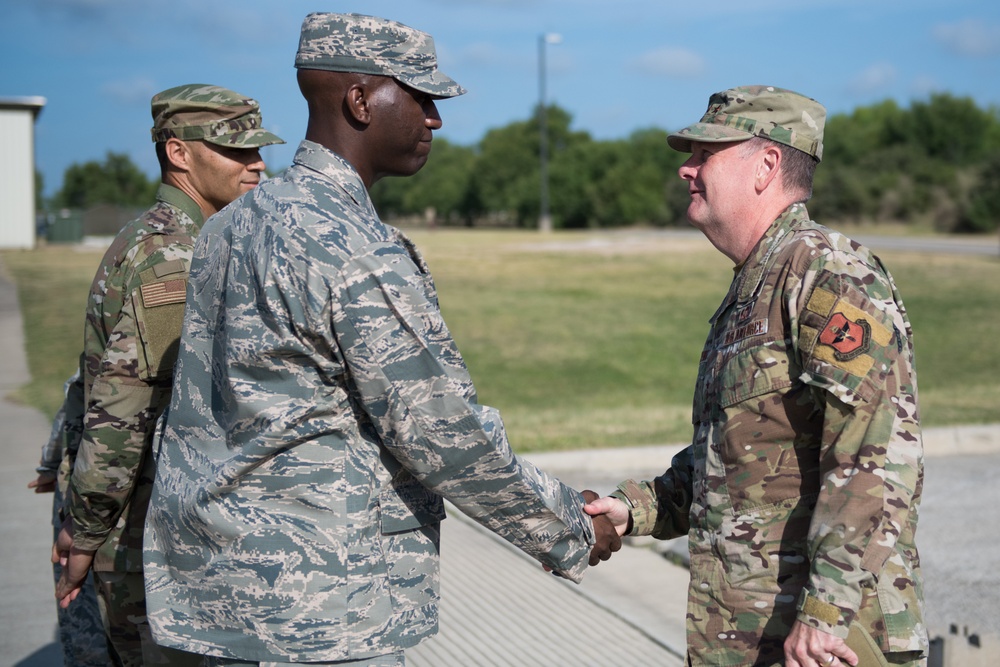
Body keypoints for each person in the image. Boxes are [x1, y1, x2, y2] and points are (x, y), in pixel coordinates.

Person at [143, 12, 620, 666]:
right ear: (360, 100)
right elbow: (441, 433)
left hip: (216, 596)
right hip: (322, 608)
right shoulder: (354, 249)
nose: (434, 119)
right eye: (420, 97)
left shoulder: (229, 228)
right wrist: (571, 525)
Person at [584, 86, 926, 667]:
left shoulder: (826, 272)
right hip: (747, 636)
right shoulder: (755, 286)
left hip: (822, 645)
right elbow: (735, 461)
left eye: (706, 152)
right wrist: (635, 507)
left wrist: (824, 617)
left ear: (766, 164)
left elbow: (876, 456)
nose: (685, 168)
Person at [52, 83, 284, 666]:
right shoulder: (174, 256)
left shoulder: (172, 238)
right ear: (179, 154)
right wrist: (84, 532)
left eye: (257, 148)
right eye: (235, 149)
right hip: (141, 536)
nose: (256, 163)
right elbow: (123, 410)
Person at [28, 370, 110, 667]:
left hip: (87, 506)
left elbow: (75, 394)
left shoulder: (119, 334)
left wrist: (49, 464)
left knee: (89, 636)